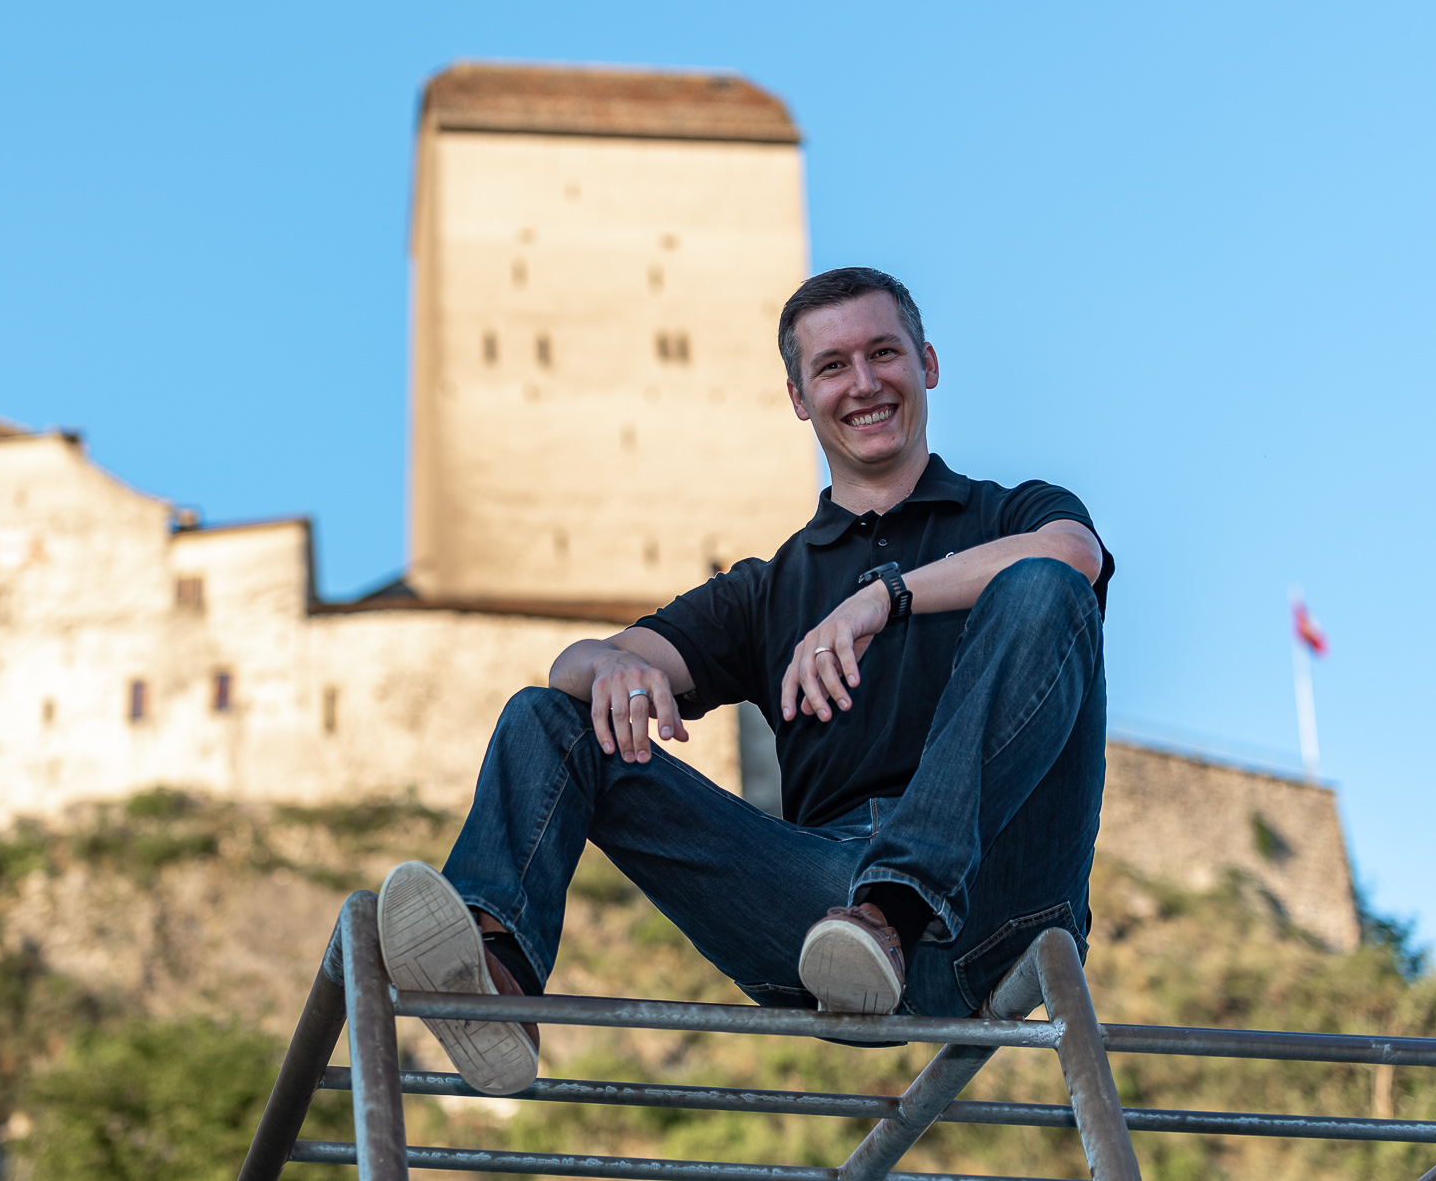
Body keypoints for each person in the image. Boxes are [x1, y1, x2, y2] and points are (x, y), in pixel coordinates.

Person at [377, 267, 1115, 1095]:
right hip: (824, 919)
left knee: (1043, 585)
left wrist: (886, 597)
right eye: (832, 366)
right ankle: (496, 976)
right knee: (548, 716)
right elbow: (572, 666)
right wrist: (613, 665)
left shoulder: (1012, 514)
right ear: (800, 397)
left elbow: (1073, 556)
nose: (863, 382)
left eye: (883, 353)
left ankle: (900, 905)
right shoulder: (768, 591)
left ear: (928, 364)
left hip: (1001, 895)